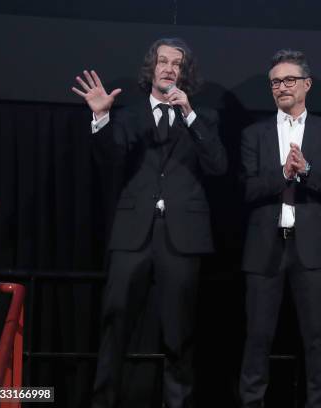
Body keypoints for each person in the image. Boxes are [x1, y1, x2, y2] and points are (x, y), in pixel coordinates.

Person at [72, 37, 227, 408]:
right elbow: (108, 159)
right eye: (162, 61)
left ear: (184, 73)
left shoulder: (204, 118)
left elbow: (218, 166)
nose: (169, 68)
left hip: (182, 239)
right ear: (152, 68)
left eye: (177, 63)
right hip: (133, 235)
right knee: (115, 327)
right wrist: (100, 117)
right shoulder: (127, 115)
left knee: (180, 335)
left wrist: (189, 114)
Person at [238, 49, 321, 408]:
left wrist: (308, 172)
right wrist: (283, 174)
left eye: (289, 80)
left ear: (307, 84)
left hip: (313, 250)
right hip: (264, 248)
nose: (282, 87)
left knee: (317, 338)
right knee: (257, 337)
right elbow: (246, 189)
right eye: (275, 82)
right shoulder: (254, 133)